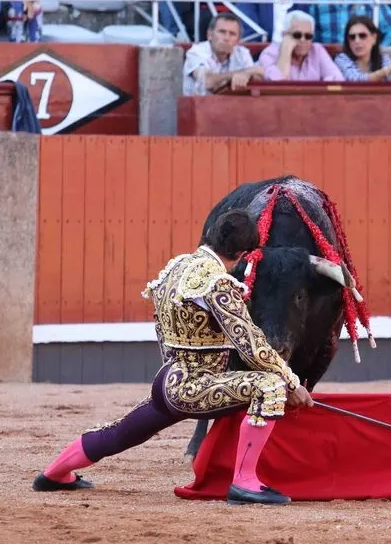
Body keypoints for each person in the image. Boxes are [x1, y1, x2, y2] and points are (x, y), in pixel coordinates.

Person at [32, 210, 315, 506]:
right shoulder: (218, 283)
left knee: (118, 433)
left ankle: (54, 474)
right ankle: (245, 483)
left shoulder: (177, 267)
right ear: (243, 253)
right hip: (197, 386)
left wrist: (174, 365)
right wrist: (291, 382)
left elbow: (160, 323)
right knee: (268, 386)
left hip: (169, 379)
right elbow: (251, 344)